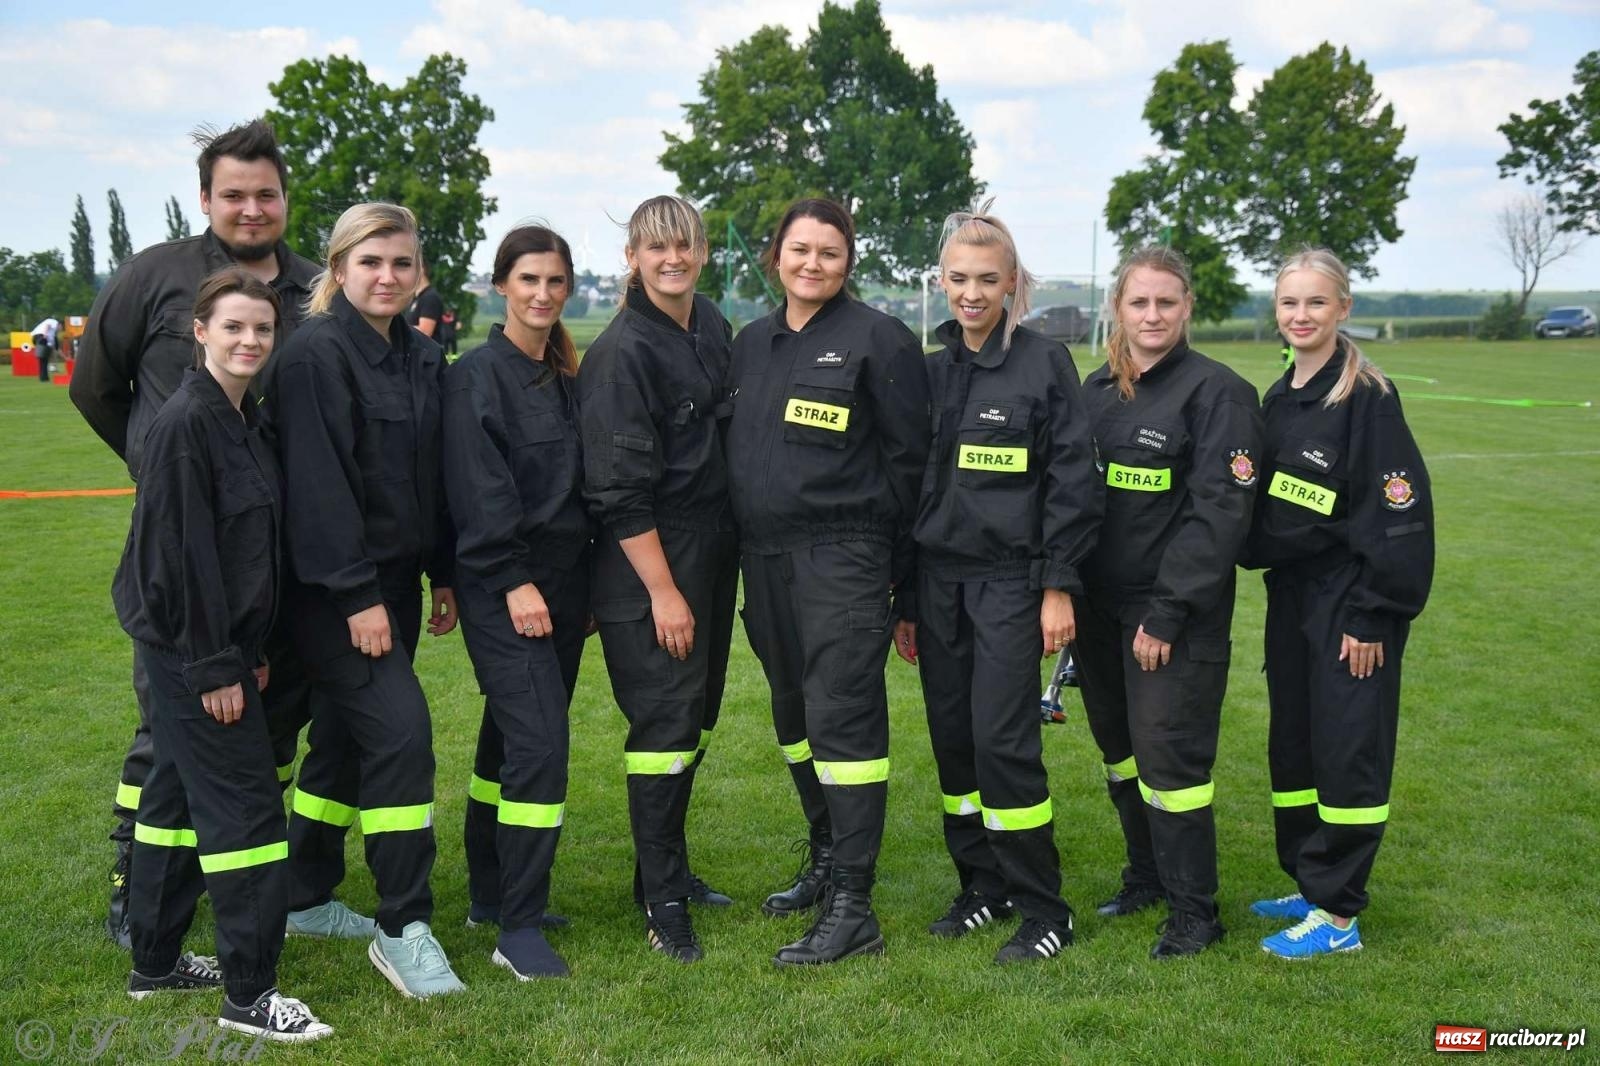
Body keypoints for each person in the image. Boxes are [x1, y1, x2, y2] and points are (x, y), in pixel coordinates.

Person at [69, 118, 321, 949]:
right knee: (170, 729)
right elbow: (95, 386)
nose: (252, 209)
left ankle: (227, 878)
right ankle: (135, 892)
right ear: (206, 198)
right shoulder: (159, 274)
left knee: (264, 722)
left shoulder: (314, 285)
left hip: (276, 548)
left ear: (286, 199)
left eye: (266, 194)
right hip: (187, 548)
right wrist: (162, 472)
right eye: (234, 195)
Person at [115, 267, 330, 1042]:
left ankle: (156, 961)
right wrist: (216, 667)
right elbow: (182, 560)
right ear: (198, 332)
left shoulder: (242, 418)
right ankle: (249, 996)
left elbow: (248, 555)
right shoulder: (184, 426)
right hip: (186, 649)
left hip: (220, 645)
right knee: (245, 810)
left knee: (172, 802)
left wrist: (252, 649)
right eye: (233, 326)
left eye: (263, 329)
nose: (250, 340)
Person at [891, 204, 1101, 964]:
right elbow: (914, 492)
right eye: (958, 278)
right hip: (939, 585)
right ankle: (983, 885)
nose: (972, 293)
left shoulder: (1044, 363)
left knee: (1003, 743)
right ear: (941, 282)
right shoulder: (931, 370)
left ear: (1013, 282)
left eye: (987, 279)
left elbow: (1074, 482)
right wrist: (909, 602)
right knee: (955, 748)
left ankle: (1046, 907)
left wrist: (1057, 586)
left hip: (1012, 584)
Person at [726, 198, 930, 966]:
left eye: (830, 253)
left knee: (843, 724)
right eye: (800, 249)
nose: (813, 264)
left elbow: (914, 473)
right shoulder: (750, 344)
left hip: (844, 557)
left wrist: (903, 588)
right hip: (765, 559)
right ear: (775, 254)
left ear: (850, 263)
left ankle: (855, 905)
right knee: (793, 719)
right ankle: (824, 857)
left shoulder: (879, 340)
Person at [266, 202, 463, 997]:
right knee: (402, 736)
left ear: (419, 274)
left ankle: (303, 895)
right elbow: (317, 490)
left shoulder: (421, 358)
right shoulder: (315, 356)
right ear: (338, 269)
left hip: (398, 586)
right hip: (333, 592)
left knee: (345, 741)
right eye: (371, 262)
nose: (388, 277)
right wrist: (355, 596)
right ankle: (402, 925)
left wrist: (443, 572)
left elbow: (433, 479)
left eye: (402, 264)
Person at [1245, 248, 1433, 959]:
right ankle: (1308, 876)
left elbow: (1400, 515)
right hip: (1290, 598)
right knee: (1297, 745)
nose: (1301, 316)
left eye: (1316, 303)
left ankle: (1339, 915)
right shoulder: (1282, 395)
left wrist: (1373, 612)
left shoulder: (1368, 397)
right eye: (1290, 303)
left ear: (1343, 308)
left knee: (1348, 747)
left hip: (1349, 602)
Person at [1074, 245, 1262, 959]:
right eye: (1138, 302)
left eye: (1166, 302)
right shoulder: (1097, 391)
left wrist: (1169, 611)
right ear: (1117, 309)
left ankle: (1195, 912)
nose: (1152, 315)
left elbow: (1220, 513)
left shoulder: (1219, 394)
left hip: (1170, 617)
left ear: (1187, 308)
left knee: (1170, 761)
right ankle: (1145, 875)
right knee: (1120, 753)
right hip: (1098, 609)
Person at [575, 195, 738, 964]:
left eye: (685, 245)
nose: (673, 258)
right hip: (650, 559)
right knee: (665, 730)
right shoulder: (620, 354)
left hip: (711, 551)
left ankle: (657, 873)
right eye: (656, 247)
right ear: (632, 259)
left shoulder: (709, 324)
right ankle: (664, 907)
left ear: (703, 252)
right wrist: (663, 592)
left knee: (695, 720)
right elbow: (617, 492)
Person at [443, 225, 591, 979]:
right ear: (501, 284)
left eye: (555, 282)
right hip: (509, 591)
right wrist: (511, 581)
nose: (542, 294)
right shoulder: (476, 377)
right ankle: (520, 930)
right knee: (540, 747)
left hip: (565, 590)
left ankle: (490, 894)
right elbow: (478, 492)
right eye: (528, 279)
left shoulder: (563, 378)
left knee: (507, 738)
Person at [407, 269, 444, 338]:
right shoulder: (417, 298)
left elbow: (425, 332)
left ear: (420, 269)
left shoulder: (430, 297)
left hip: (427, 348)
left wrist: (396, 329)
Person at [31, 316, 59, 381]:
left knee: (43, 361)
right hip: (41, 337)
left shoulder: (52, 331)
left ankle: (43, 377)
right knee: (44, 360)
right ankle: (44, 377)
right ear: (60, 325)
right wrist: (44, 335)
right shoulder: (54, 322)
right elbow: (47, 325)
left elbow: (52, 342)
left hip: (37, 338)